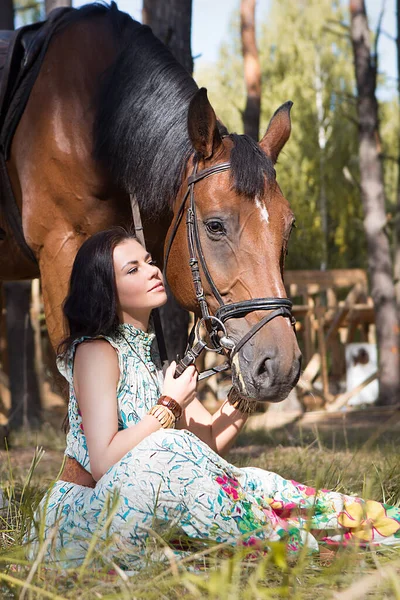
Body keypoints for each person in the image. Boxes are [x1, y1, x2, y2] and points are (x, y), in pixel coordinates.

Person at [27, 227, 400, 570]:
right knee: (169, 450)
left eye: (150, 261)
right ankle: (299, 544)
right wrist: (169, 406)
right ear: (105, 289)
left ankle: (377, 527)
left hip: (150, 493)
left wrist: (246, 392)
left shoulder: (152, 358)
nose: (152, 271)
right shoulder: (96, 351)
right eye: (133, 269)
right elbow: (102, 462)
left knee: (256, 482)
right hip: (87, 516)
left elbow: (206, 444)